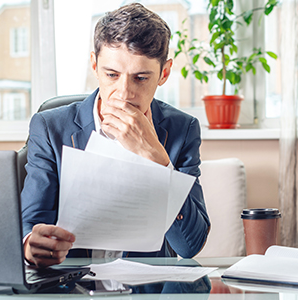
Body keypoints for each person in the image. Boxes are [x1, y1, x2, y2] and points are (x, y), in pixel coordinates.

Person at [21, 3, 210, 268]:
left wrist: (156, 159)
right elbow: (31, 225)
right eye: (111, 75)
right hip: (73, 287)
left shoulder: (182, 129)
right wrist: (32, 245)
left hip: (147, 289)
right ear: (94, 65)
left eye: (141, 78)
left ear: (164, 74)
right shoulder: (50, 128)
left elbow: (189, 246)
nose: (124, 93)